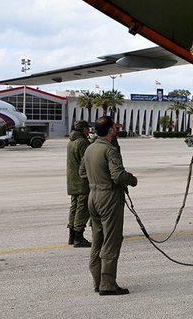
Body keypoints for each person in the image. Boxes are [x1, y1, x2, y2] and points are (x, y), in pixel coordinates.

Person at [79, 116, 138, 296]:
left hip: (93, 196)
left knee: (97, 240)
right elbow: (118, 176)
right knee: (112, 240)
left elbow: (82, 173)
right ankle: (108, 284)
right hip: (109, 198)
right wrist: (132, 179)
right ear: (111, 129)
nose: (115, 130)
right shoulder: (109, 150)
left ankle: (98, 281)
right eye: (114, 127)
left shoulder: (90, 148)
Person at [66, 120, 92, 248]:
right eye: (87, 128)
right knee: (82, 208)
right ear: (83, 129)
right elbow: (86, 162)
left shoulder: (71, 142)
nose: (89, 130)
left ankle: (71, 235)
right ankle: (78, 236)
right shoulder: (83, 142)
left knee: (74, 207)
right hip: (82, 182)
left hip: (72, 180)